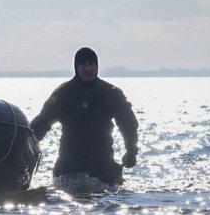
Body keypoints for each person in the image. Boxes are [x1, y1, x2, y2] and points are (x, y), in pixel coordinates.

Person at [30, 47, 139, 185]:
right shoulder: (63, 94)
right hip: (68, 169)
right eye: (83, 65)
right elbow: (41, 123)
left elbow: (128, 124)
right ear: (76, 67)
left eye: (91, 64)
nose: (88, 69)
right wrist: (23, 146)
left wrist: (131, 151)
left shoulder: (111, 93)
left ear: (97, 66)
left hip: (102, 167)